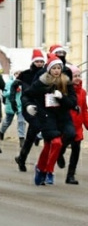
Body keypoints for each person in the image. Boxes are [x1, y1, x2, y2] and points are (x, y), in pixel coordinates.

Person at [24, 54, 76, 186]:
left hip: (63, 118)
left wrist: (62, 97)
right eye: (54, 68)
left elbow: (72, 102)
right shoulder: (41, 82)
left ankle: (41, 168)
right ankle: (47, 171)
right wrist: (29, 106)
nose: (57, 70)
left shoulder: (66, 82)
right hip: (47, 117)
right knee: (56, 143)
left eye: (59, 68)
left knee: (54, 143)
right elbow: (27, 95)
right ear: (49, 70)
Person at [14, 49, 48, 171]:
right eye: (37, 61)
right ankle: (26, 159)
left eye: (41, 61)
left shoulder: (47, 73)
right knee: (35, 128)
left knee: (32, 134)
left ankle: (22, 158)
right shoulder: (26, 74)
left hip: (44, 106)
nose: (39, 63)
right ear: (33, 62)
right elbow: (21, 89)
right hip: (29, 107)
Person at [65, 65, 86, 185]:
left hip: (78, 127)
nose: (77, 78)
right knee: (62, 145)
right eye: (75, 76)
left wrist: (87, 124)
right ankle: (59, 156)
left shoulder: (83, 92)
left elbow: (84, 110)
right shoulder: (66, 91)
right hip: (67, 125)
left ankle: (70, 175)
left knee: (76, 151)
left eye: (79, 76)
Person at [0, 70, 26, 145]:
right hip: (11, 104)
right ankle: (1, 131)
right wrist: (13, 90)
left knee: (21, 121)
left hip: (21, 105)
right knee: (8, 121)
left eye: (20, 73)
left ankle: (21, 138)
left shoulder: (24, 83)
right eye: (16, 73)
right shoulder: (9, 83)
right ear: (13, 74)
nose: (18, 75)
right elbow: (5, 94)